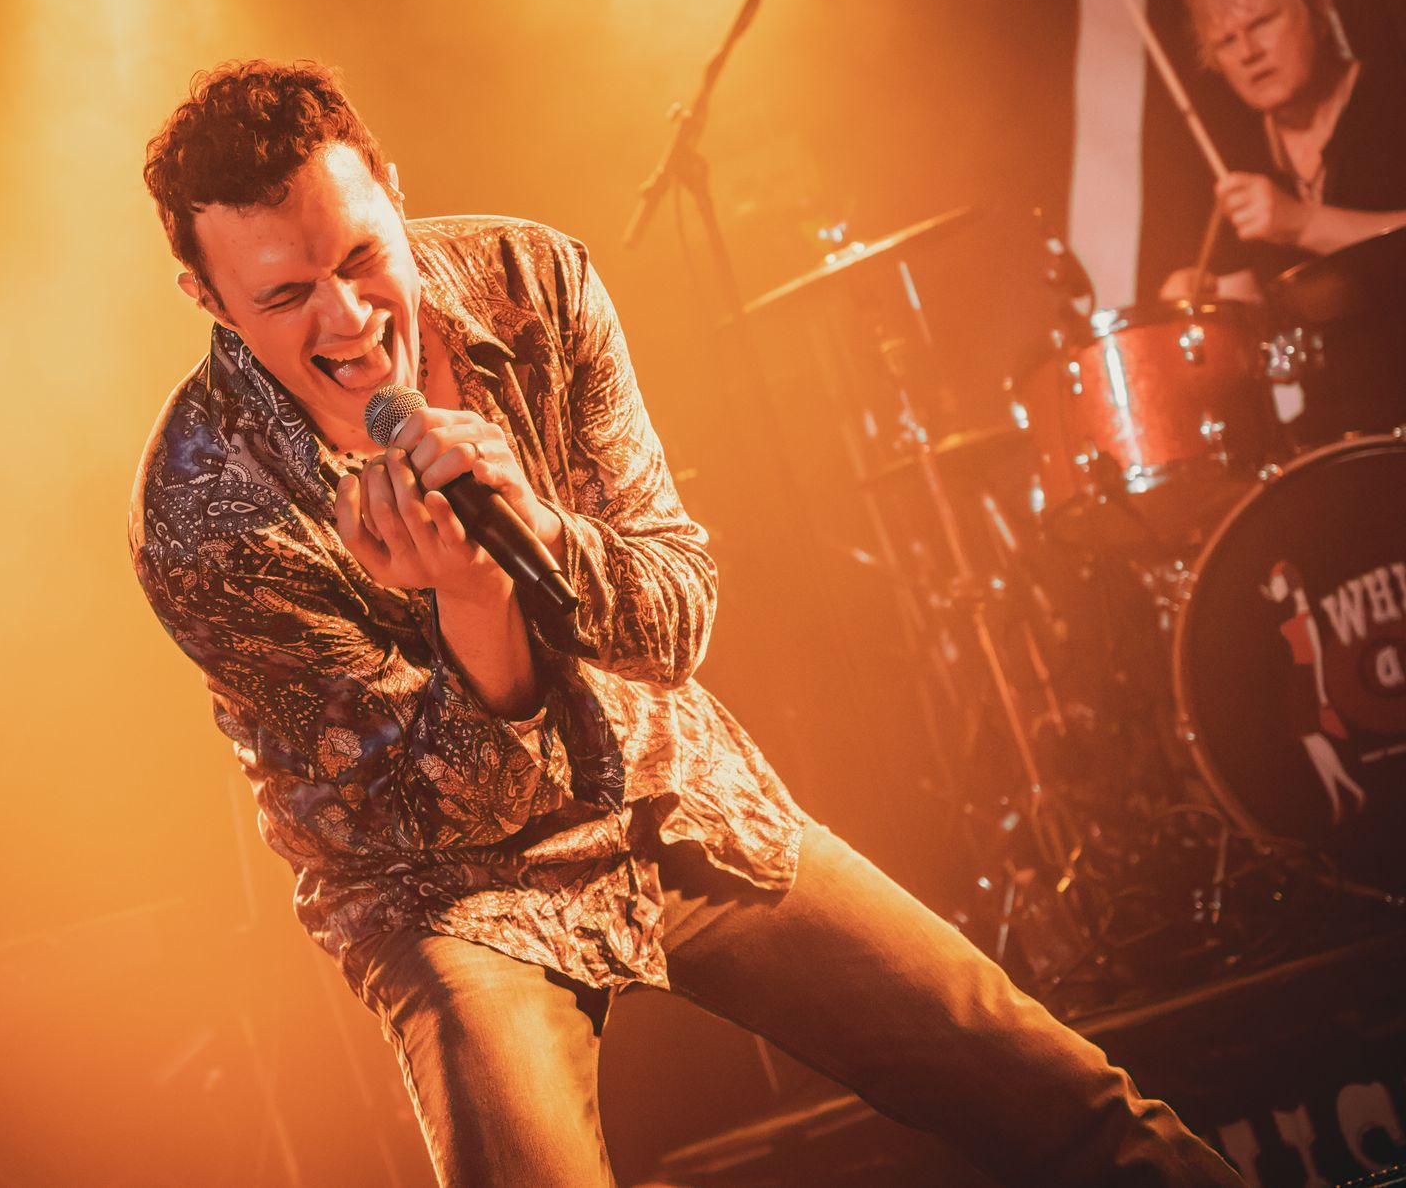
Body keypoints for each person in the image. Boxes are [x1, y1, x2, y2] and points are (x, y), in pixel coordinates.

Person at [132, 59, 1242, 1186]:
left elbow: (676, 613)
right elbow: (439, 813)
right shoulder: (200, 514)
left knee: (1060, 1103)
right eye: (286, 297)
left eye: (363, 256)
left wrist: (541, 535)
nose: (350, 317)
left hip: (660, 785)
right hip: (443, 892)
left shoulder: (534, 283)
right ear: (210, 300)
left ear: (395, 192)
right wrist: (475, 600)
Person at [1159, 0, 1406, 301]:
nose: (1248, 52)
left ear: (1317, 10)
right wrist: (1209, 294)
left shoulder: (1393, 95)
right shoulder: (1234, 156)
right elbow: (1250, 297)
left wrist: (1302, 223)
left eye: (1262, 22)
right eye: (1227, 41)